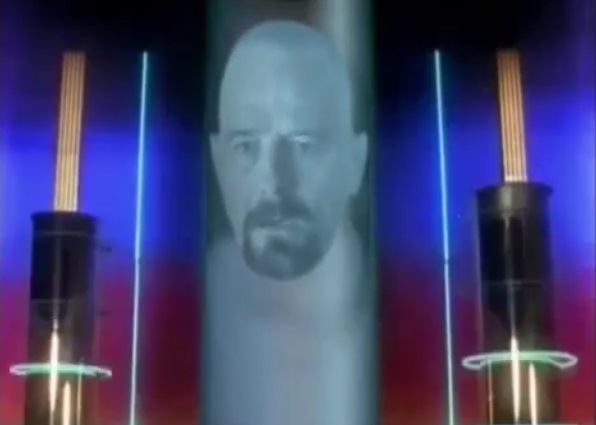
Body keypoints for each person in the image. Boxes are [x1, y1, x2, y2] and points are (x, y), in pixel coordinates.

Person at [204, 20, 372, 425]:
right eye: (246, 146)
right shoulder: (173, 321)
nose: (276, 181)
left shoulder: (408, 319)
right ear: (219, 161)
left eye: (304, 145)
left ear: (355, 161)